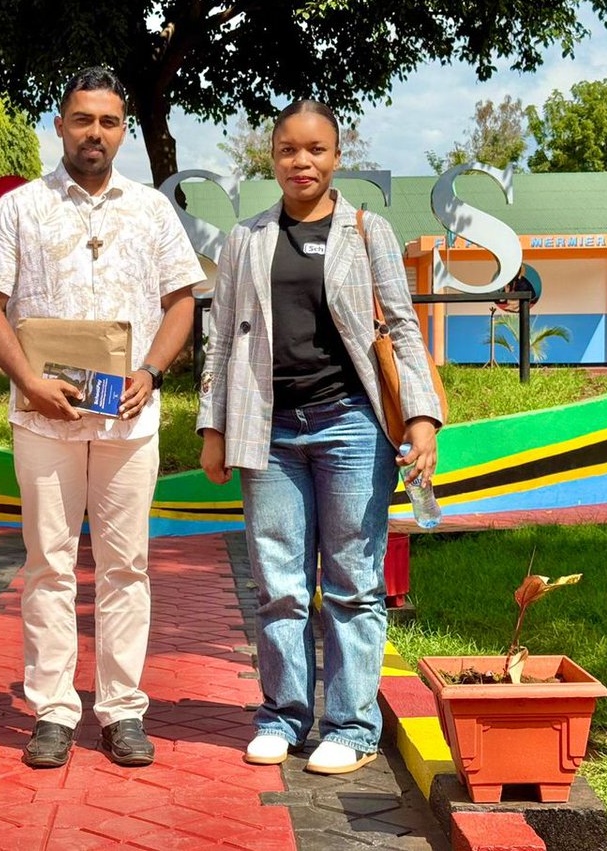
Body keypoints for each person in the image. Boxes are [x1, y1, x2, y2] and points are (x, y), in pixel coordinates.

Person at [0, 67, 204, 769]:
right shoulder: (20, 209)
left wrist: (150, 373)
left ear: (122, 130)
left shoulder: (152, 211)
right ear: (60, 125)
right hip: (45, 420)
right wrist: (26, 381)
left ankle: (123, 709)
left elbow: (182, 300)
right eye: (81, 119)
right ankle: (53, 710)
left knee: (128, 565)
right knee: (49, 563)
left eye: (107, 121)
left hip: (128, 421)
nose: (94, 132)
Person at [197, 100, 442, 775]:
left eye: (315, 150)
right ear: (271, 157)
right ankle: (282, 716)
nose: (301, 162)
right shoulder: (246, 238)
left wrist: (421, 417)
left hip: (351, 426)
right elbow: (221, 340)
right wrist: (212, 426)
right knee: (278, 584)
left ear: (337, 156)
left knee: (353, 582)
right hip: (268, 429)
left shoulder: (366, 231)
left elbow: (402, 325)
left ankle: (352, 726)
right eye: (287, 150)